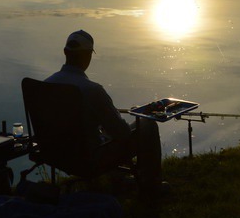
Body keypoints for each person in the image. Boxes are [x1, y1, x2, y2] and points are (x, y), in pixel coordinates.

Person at [44, 29, 162, 192]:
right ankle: (151, 186)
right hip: (89, 158)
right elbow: (122, 134)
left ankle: (118, 180)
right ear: (88, 56)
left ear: (65, 52)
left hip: (56, 155)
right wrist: (138, 116)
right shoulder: (92, 90)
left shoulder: (46, 85)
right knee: (147, 125)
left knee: (103, 134)